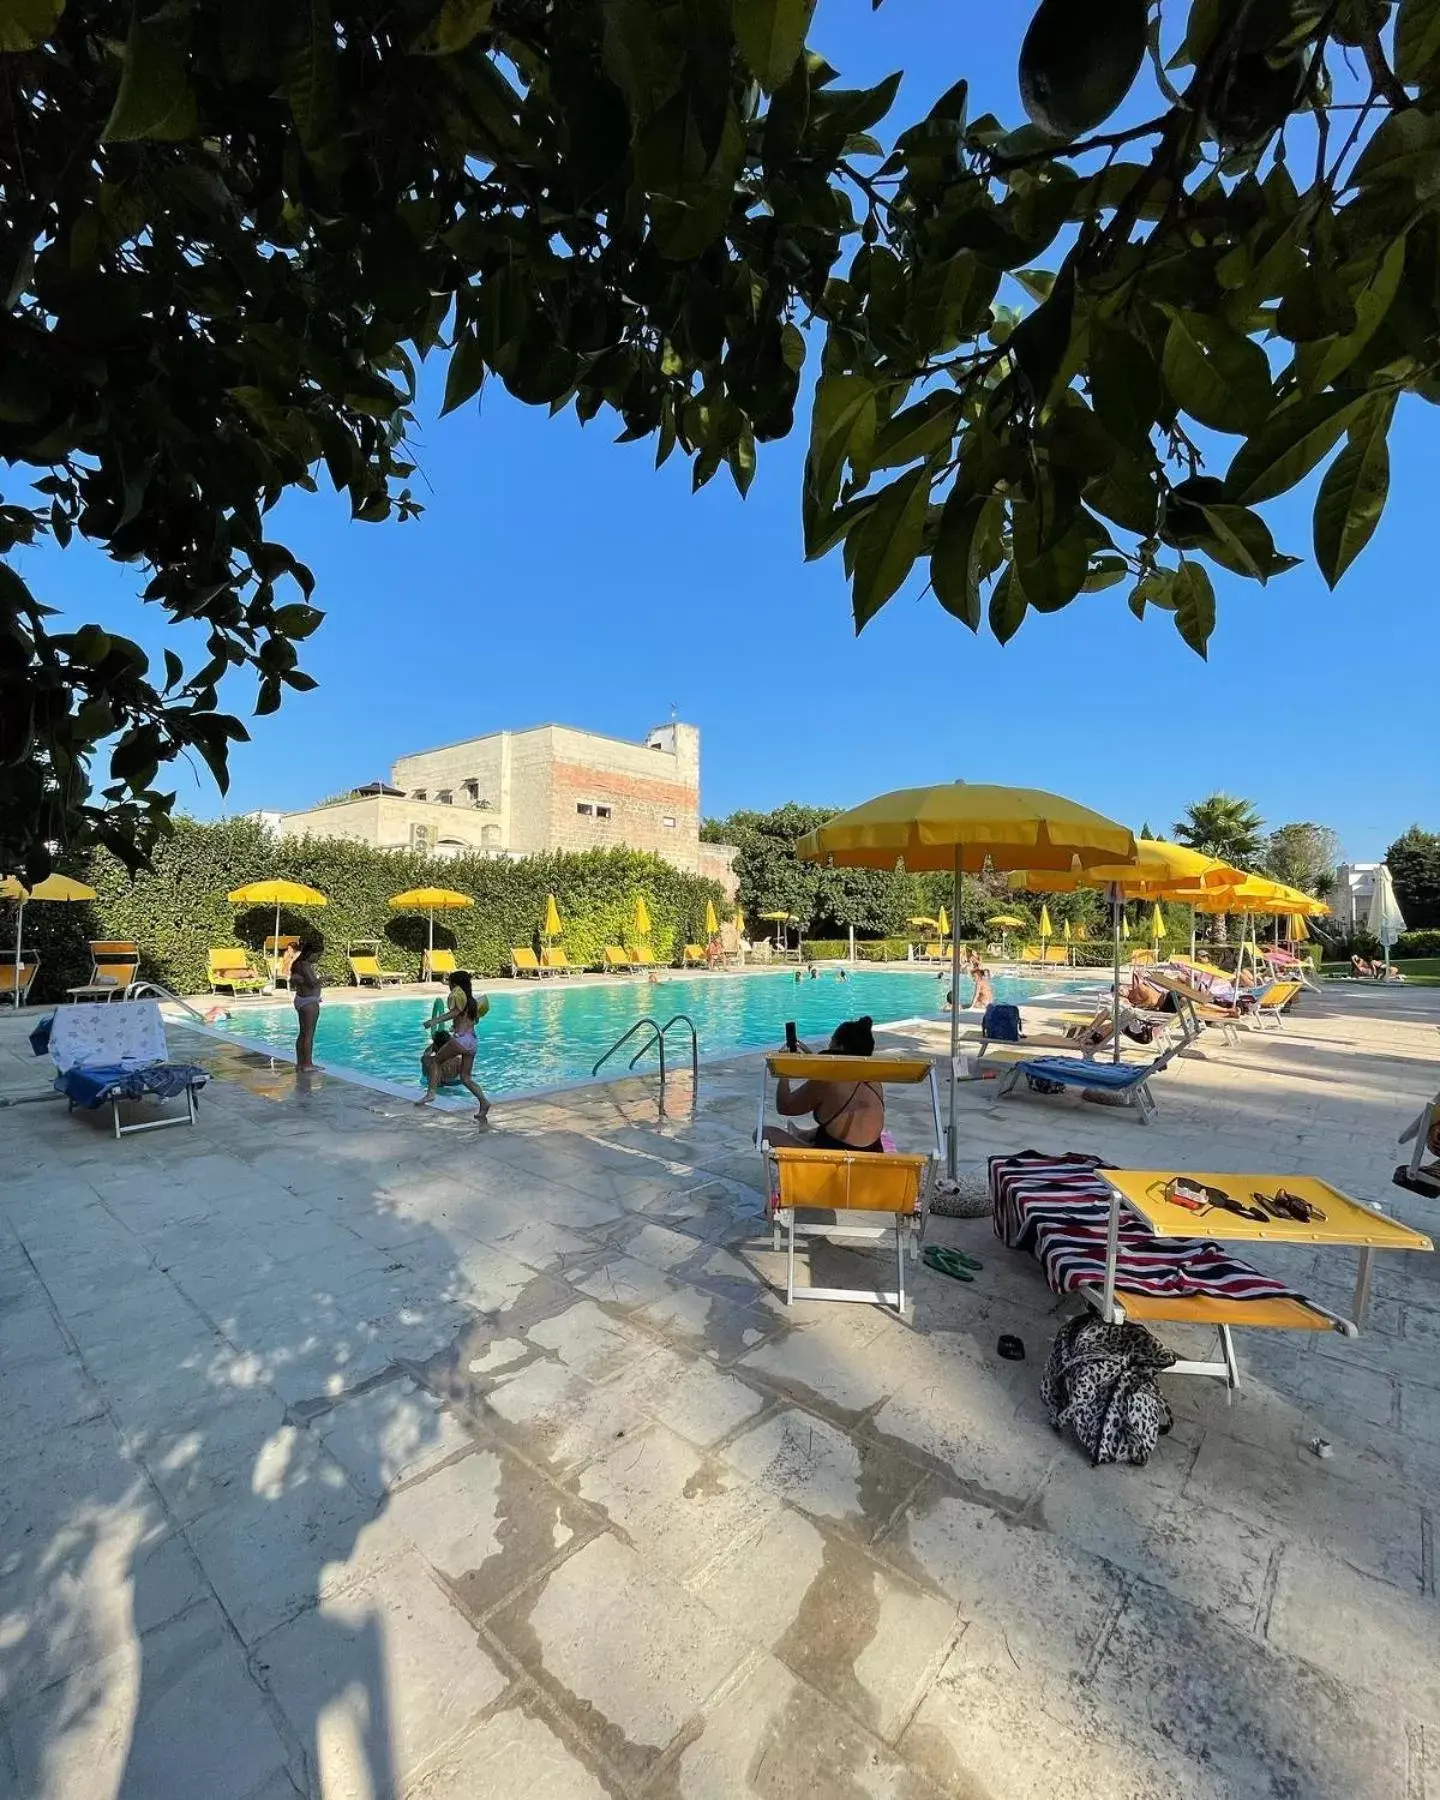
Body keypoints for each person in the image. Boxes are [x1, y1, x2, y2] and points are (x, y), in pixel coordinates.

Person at [762, 1016, 885, 1152]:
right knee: (836, 1120)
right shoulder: (874, 1079)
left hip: (837, 1160)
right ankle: (801, 1135)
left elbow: (785, 1106)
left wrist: (785, 1071)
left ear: (839, 1047)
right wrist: (814, 1060)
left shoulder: (829, 1080)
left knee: (764, 1135)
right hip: (872, 1152)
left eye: (831, 1042)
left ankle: (802, 1140)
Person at [418, 972, 491, 1118]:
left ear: (455, 984)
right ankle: (484, 1102)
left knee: (435, 1062)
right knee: (465, 1078)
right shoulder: (473, 1002)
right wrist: (457, 1025)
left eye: (450, 982)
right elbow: (474, 1021)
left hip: (461, 1040)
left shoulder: (459, 999)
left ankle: (430, 1094)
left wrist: (434, 1021)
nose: (449, 985)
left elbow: (455, 1012)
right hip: (473, 1041)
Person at [290, 938, 323, 1071]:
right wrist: (325, 979)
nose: (318, 958)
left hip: (300, 999)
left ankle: (300, 1063)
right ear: (310, 953)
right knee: (309, 1034)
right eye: (317, 955)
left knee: (302, 1033)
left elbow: (295, 981)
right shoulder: (305, 965)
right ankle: (308, 1064)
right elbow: (312, 983)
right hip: (309, 1002)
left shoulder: (297, 964)